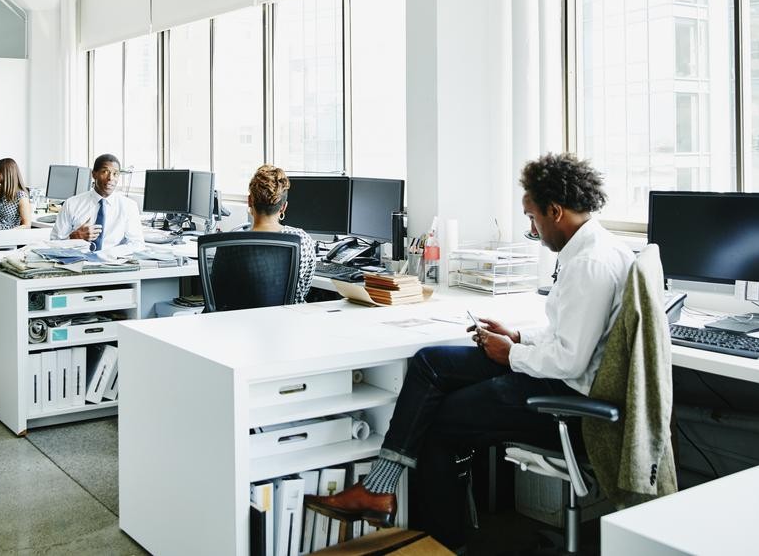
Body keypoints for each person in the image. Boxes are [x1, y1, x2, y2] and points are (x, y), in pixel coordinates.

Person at [305, 153, 633, 549]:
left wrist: (508, 353)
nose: (533, 228)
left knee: (438, 421)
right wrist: (518, 337)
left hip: (566, 397)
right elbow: (571, 335)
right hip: (552, 374)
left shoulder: (591, 264)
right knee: (430, 362)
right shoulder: (591, 249)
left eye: (532, 218)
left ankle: (445, 545)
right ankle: (379, 489)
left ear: (556, 210)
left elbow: (571, 360)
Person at [245, 164, 318, 303]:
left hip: (239, 323)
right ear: (284, 207)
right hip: (290, 321)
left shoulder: (229, 244)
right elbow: (303, 290)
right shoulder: (302, 239)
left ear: (249, 201)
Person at [51, 154, 143, 253]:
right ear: (94, 174)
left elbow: (137, 244)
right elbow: (54, 243)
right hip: (78, 261)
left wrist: (109, 254)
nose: (110, 178)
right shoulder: (71, 204)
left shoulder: (129, 206)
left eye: (115, 173)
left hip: (112, 263)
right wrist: (73, 238)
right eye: (105, 172)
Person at [0, 157, 32, 230]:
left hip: (10, 237)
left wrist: (8, 233)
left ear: (5, 172)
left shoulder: (21, 196)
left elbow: (27, 225)